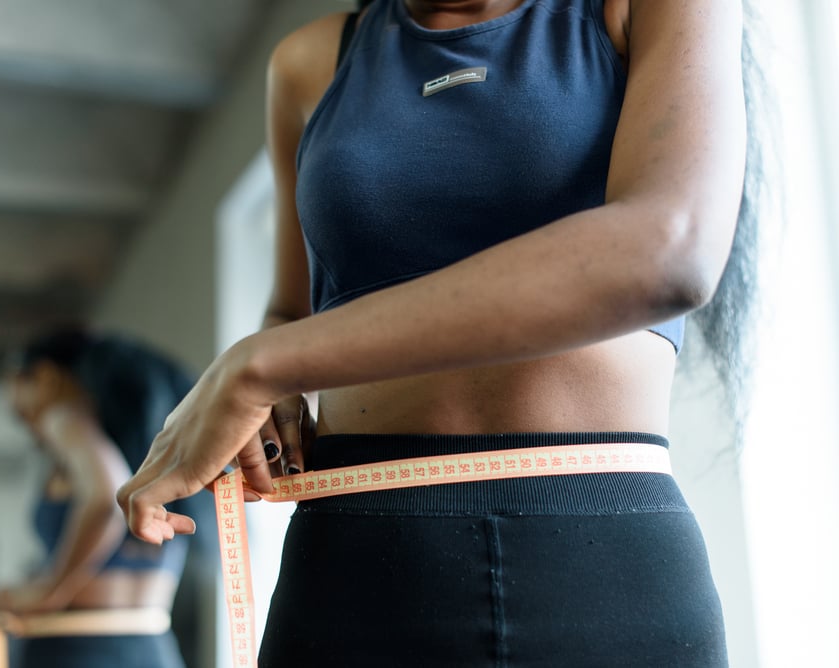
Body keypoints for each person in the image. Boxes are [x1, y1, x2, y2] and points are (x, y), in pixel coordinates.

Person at [118, 0, 762, 664]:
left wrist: (256, 369)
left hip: (601, 560)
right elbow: (295, 308)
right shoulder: (309, 62)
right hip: (353, 570)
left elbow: (670, 252)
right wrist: (271, 391)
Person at [0, 328, 204, 667]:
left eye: (15, 389)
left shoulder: (62, 417)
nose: (25, 420)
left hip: (78, 650)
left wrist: (46, 592)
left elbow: (104, 499)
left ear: (46, 377)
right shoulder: (146, 446)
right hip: (150, 646)